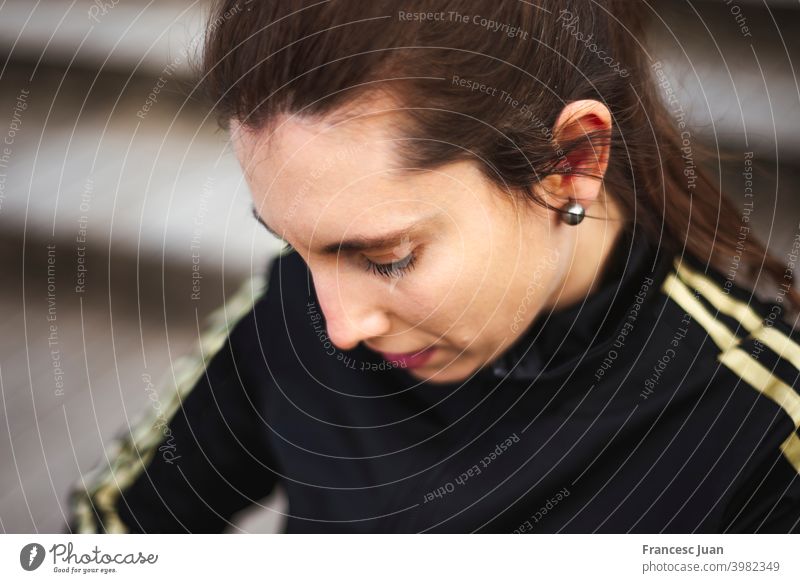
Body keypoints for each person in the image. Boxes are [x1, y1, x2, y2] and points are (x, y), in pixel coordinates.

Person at [68, 0, 800, 533]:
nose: (341, 324)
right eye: (297, 245)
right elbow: (114, 527)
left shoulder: (761, 422)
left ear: (572, 161)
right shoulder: (292, 308)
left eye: (388, 257)